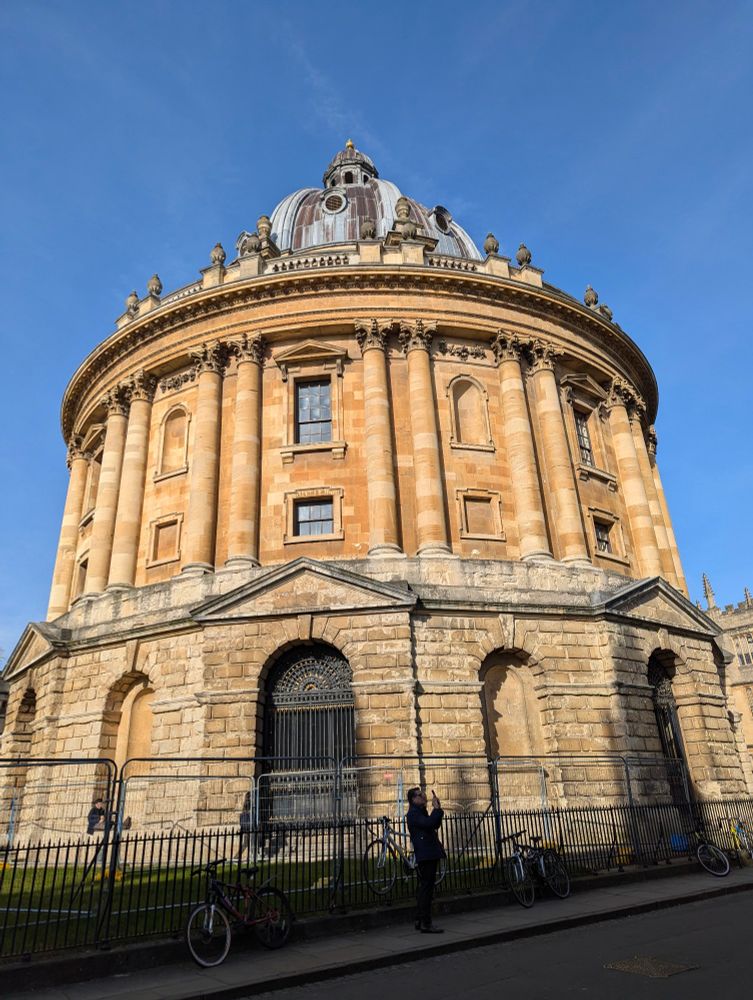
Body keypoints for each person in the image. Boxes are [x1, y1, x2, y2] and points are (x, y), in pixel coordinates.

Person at [406, 786, 445, 934]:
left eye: (423, 794)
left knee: (425, 888)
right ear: (413, 799)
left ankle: (419, 920)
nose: (423, 796)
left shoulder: (420, 812)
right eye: (419, 795)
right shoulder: (414, 814)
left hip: (428, 853)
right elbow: (429, 824)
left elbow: (434, 824)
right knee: (426, 890)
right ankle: (425, 923)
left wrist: (437, 809)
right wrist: (436, 810)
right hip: (426, 854)